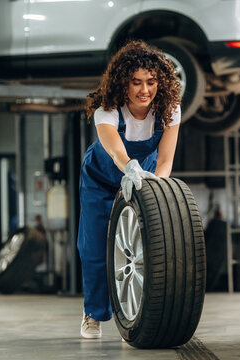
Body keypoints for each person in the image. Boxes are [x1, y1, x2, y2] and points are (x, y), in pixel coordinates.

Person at [77, 40, 181, 339]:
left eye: (151, 82)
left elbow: (166, 160)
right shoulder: (106, 109)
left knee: (149, 249)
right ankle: (93, 314)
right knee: (93, 248)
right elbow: (114, 150)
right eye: (136, 82)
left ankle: (143, 312)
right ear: (123, 83)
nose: (144, 90)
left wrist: (158, 188)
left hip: (143, 179)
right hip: (100, 179)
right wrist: (129, 166)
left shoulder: (169, 110)